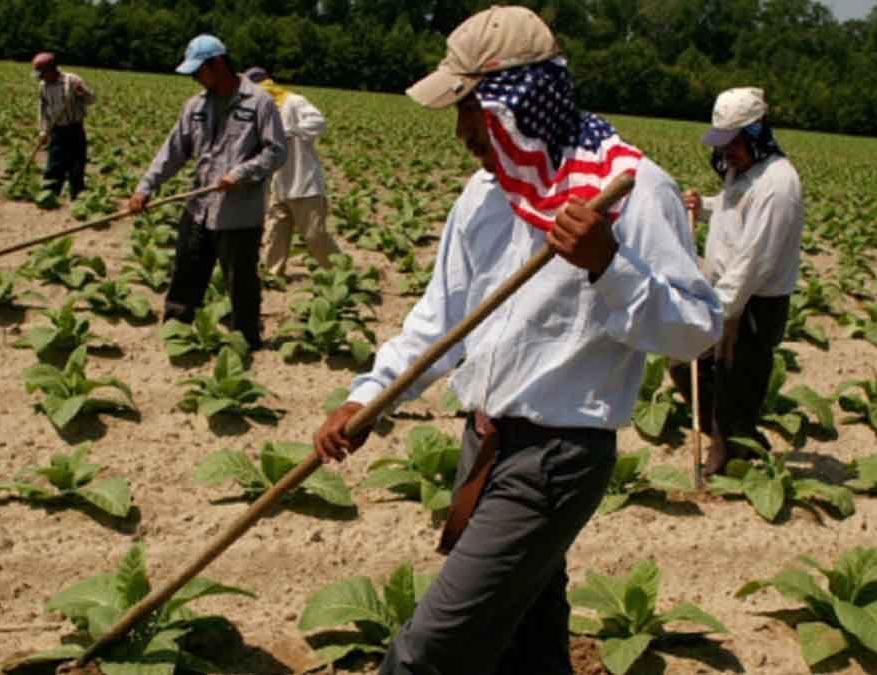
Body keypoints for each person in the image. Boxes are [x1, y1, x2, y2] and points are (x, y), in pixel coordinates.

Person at [312, 7, 722, 674]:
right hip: (485, 444)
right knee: (525, 648)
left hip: (555, 462)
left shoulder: (631, 190)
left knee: (427, 653)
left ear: (517, 104)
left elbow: (697, 331)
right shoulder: (484, 196)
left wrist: (607, 265)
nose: (461, 130)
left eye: (469, 107)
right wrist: (369, 398)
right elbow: (436, 324)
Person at [673, 87, 804, 476]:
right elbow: (734, 210)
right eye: (722, 143)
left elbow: (753, 261)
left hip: (753, 301)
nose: (725, 152)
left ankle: (727, 454)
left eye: (733, 143)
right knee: (683, 362)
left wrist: (718, 313)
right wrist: (706, 206)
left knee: (736, 380)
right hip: (725, 293)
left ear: (758, 133)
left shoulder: (779, 184)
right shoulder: (742, 170)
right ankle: (735, 436)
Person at [128, 36, 286, 349]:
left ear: (216, 64)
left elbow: (276, 152)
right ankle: (175, 332)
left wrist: (241, 174)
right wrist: (145, 187)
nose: (194, 79)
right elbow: (172, 152)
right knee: (186, 271)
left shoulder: (259, 103)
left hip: (238, 213)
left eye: (197, 71)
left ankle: (246, 340)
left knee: (240, 282)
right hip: (199, 206)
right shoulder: (195, 106)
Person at [242, 67, 342, 279]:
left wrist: (289, 132)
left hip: (304, 182)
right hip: (278, 184)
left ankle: (340, 272)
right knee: (275, 232)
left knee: (315, 235)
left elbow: (318, 122)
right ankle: (272, 275)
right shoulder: (259, 111)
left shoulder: (294, 102)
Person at [33, 52, 94, 199]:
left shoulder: (71, 80)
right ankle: (49, 196)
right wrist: (43, 131)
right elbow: (43, 109)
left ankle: (77, 197)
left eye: (42, 73)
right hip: (56, 130)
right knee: (54, 164)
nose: (40, 77)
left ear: (51, 69)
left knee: (76, 166)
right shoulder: (43, 86)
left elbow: (91, 99)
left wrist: (82, 93)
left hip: (74, 129)